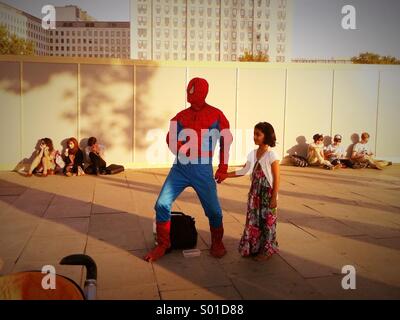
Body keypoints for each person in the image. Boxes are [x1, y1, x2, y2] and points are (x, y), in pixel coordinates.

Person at [144, 77, 233, 262]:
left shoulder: (216, 115)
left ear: (203, 92)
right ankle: (163, 243)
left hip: (202, 170)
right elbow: (170, 137)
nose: (190, 95)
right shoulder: (181, 116)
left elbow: (226, 140)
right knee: (161, 204)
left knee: (214, 211)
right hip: (180, 168)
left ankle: (217, 242)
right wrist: (181, 147)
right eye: (189, 91)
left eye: (193, 91)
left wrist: (223, 166)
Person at [219, 122, 280, 261]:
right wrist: (226, 175)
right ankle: (254, 247)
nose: (255, 137)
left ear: (267, 136)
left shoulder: (272, 155)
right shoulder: (253, 153)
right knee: (254, 221)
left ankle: (267, 251)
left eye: (258, 134)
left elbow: (277, 178)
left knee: (268, 222)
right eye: (254, 134)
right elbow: (245, 170)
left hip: (267, 193)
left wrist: (274, 197)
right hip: (255, 193)